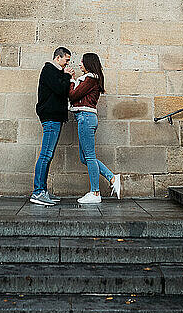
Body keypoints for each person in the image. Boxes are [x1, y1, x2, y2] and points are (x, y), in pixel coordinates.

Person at [69, 52, 121, 204]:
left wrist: (71, 79)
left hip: (86, 118)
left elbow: (73, 95)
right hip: (84, 118)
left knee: (90, 157)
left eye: (82, 62)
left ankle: (95, 192)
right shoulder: (90, 79)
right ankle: (112, 178)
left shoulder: (91, 78)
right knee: (84, 157)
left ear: (89, 63)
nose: (80, 65)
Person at [30, 47, 73, 206]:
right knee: (45, 155)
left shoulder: (57, 72)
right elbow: (61, 89)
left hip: (55, 117)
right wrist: (67, 76)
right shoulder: (49, 69)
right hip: (50, 117)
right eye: (66, 60)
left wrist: (65, 76)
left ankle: (43, 191)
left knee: (48, 155)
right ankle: (38, 192)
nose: (68, 63)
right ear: (58, 57)